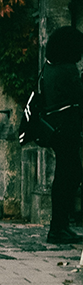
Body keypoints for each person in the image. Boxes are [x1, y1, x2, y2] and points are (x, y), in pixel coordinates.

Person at [42, 26, 83, 244]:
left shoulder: (49, 68)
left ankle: (60, 226)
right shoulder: (67, 69)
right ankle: (58, 227)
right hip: (67, 130)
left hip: (58, 131)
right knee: (70, 175)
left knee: (66, 175)